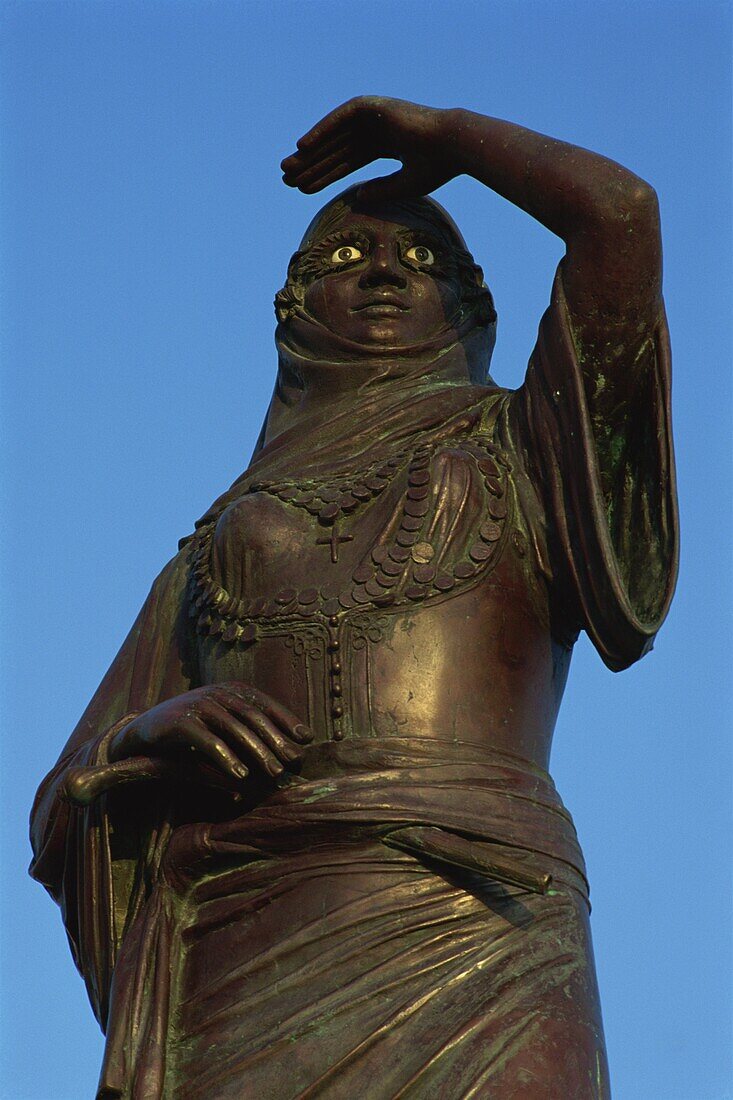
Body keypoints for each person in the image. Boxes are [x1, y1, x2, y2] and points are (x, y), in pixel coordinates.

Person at [30, 97, 678, 1098]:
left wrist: (450, 141)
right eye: (343, 257)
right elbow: (69, 787)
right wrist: (153, 731)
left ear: (469, 308)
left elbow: (619, 216)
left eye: (420, 259)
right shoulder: (215, 540)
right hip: (245, 941)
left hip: (483, 924)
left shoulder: (526, 442)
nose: (380, 270)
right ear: (291, 310)